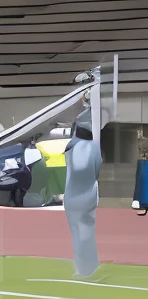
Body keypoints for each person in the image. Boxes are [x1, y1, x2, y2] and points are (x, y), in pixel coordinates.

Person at [63, 117, 101, 279]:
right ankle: (91, 265)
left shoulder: (73, 146)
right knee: (86, 232)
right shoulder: (95, 148)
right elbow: (96, 170)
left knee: (79, 233)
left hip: (74, 197)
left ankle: (84, 268)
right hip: (89, 195)